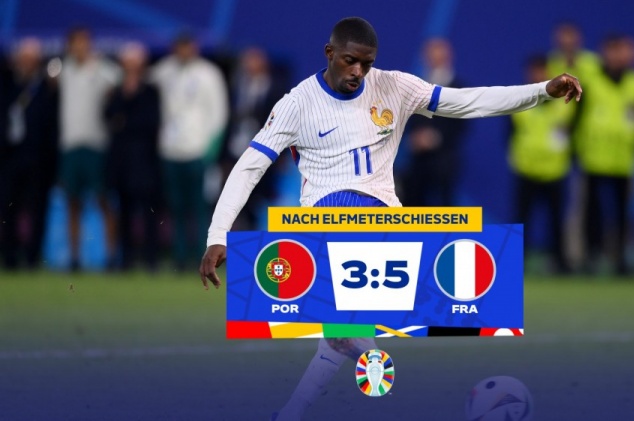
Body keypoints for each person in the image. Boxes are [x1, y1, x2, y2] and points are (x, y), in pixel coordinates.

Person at [198, 17, 582, 421]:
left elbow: (469, 101)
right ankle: (352, 360)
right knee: (349, 327)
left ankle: (302, 402)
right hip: (327, 217)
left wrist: (542, 90)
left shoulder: (394, 86)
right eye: (350, 61)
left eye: (366, 63)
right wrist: (218, 233)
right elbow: (249, 167)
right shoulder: (297, 104)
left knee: (346, 333)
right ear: (329, 53)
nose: (358, 71)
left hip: (387, 221)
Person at [151, 32, 228, 271]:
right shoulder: (163, 71)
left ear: (194, 47)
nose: (184, 51)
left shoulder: (209, 73)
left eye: (187, 47)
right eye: (180, 47)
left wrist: (211, 148)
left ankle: (202, 256)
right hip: (170, 150)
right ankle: (180, 257)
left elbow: (219, 112)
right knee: (176, 207)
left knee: (199, 207)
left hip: (198, 150)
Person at [573, 34, 634, 276]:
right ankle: (591, 257)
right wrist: (577, 148)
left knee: (624, 214)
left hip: (624, 159)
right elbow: (576, 115)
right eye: (614, 50)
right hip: (594, 157)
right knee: (592, 212)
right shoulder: (590, 81)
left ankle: (622, 259)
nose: (618, 56)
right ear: (604, 52)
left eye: (623, 50)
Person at [58, 27, 121, 271]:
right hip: (70, 145)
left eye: (83, 42)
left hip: (96, 145)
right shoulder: (64, 70)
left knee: (103, 200)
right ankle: (74, 259)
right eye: (75, 43)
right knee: (72, 203)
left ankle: (111, 257)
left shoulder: (102, 68)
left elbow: (119, 81)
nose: (80, 47)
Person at [509, 54, 574, 274]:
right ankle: (517, 261)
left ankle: (560, 262)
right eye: (533, 71)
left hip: (555, 169)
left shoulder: (564, 100)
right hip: (526, 168)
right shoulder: (519, 99)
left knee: (556, 220)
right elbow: (510, 132)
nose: (537, 75)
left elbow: (572, 130)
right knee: (521, 219)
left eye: (541, 70)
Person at [0, 38, 59, 269]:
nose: (26, 63)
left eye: (31, 59)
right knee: (8, 207)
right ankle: (10, 256)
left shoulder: (46, 87)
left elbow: (52, 124)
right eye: (23, 59)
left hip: (38, 159)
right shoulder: (7, 85)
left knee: (38, 209)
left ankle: (33, 257)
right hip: (10, 158)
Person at [104, 43, 161, 271]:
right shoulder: (116, 91)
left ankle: (151, 260)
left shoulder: (150, 91)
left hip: (145, 162)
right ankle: (126, 259)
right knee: (124, 211)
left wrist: (124, 121)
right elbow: (108, 117)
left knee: (148, 212)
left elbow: (150, 122)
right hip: (121, 162)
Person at [221, 46, 288, 230]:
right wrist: (225, 156)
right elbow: (229, 121)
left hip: (266, 152)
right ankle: (247, 236)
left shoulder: (276, 89)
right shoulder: (237, 87)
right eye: (246, 61)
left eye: (253, 60)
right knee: (240, 199)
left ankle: (266, 236)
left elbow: (284, 124)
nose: (249, 65)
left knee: (263, 197)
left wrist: (282, 155)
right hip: (239, 150)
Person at [401, 38, 467, 206]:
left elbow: (461, 125)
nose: (434, 59)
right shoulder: (418, 87)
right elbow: (411, 117)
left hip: (444, 160)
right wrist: (415, 137)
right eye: (430, 55)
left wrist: (435, 138)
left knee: (445, 208)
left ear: (448, 56)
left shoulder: (459, 88)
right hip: (418, 161)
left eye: (438, 55)